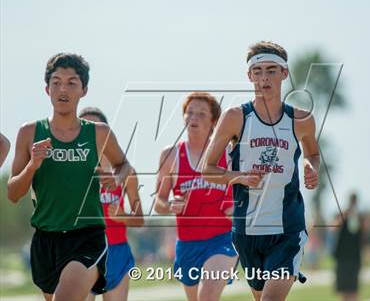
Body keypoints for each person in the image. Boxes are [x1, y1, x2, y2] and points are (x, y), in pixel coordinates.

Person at [7, 53, 132, 301]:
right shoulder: (29, 132)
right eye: (56, 82)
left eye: (71, 83)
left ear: (83, 90)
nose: (63, 89)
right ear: (47, 89)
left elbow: (124, 165)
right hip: (46, 239)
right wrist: (32, 166)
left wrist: (116, 178)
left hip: (87, 236)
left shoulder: (98, 132)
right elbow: (13, 193)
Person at [203, 41, 319, 301]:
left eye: (271, 70)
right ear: (249, 75)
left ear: (285, 73)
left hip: (288, 228)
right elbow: (207, 169)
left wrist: (311, 166)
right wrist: (238, 177)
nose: (264, 78)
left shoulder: (301, 119)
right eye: (257, 71)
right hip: (247, 231)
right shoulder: (235, 117)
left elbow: (313, 153)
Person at [154, 92, 238, 301]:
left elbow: (249, 191)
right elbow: (159, 202)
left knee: (207, 295)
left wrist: (238, 207)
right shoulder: (171, 155)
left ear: (213, 122)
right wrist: (169, 205)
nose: (193, 118)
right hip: (188, 243)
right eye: (189, 113)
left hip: (223, 240)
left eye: (201, 114)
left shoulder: (229, 153)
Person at [79, 107, 144, 301]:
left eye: (93, 127)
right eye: (82, 127)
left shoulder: (125, 172)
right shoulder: (73, 173)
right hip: (81, 251)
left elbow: (139, 220)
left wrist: (123, 217)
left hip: (117, 252)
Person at [331, 193, 364, 301]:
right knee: (343, 288)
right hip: (342, 256)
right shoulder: (342, 213)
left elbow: (366, 232)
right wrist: (344, 215)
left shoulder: (360, 216)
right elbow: (333, 229)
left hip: (355, 256)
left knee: (354, 288)